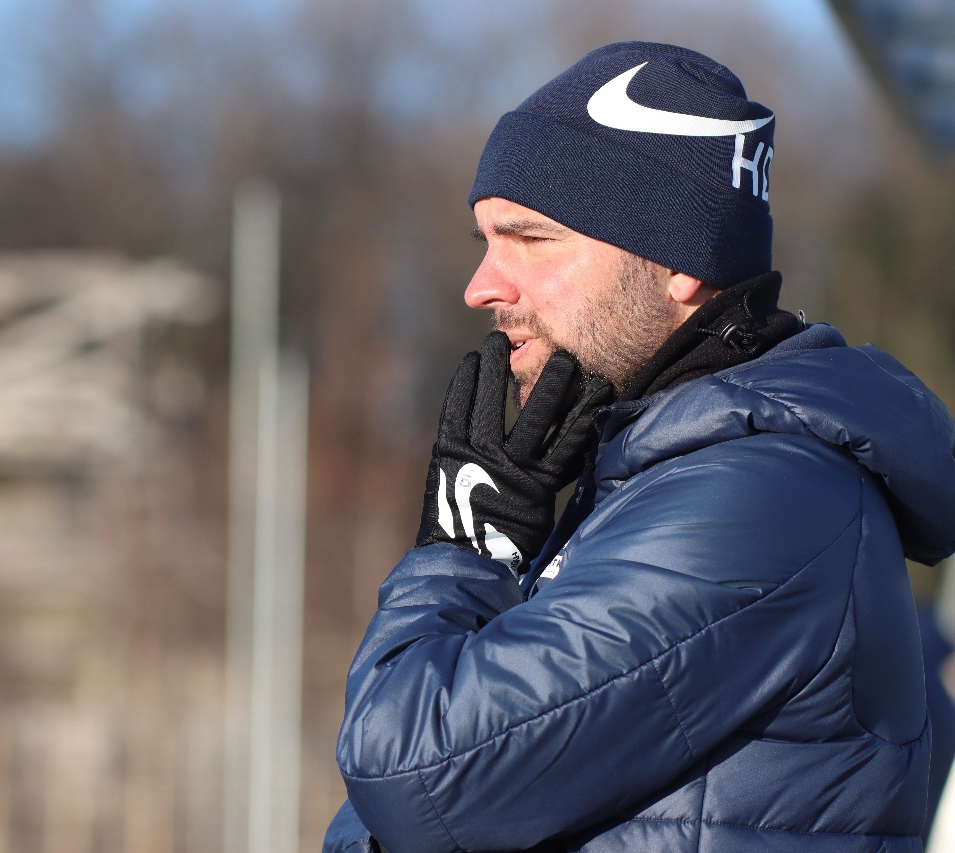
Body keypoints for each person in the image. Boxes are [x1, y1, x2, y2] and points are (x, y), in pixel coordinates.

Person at [323, 41, 955, 852]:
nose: (482, 285)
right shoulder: (647, 477)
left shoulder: (759, 498)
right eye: (484, 240)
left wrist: (463, 551)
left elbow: (411, 774)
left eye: (530, 238)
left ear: (679, 261)